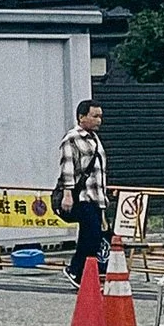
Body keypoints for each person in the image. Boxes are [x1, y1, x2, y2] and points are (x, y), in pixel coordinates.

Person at [54, 96, 109, 284]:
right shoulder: (72, 138)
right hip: (81, 197)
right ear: (81, 117)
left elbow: (99, 173)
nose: (99, 120)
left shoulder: (94, 139)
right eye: (94, 116)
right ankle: (76, 269)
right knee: (91, 235)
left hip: (95, 197)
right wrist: (67, 195)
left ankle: (85, 272)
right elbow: (67, 168)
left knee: (93, 235)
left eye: (100, 116)